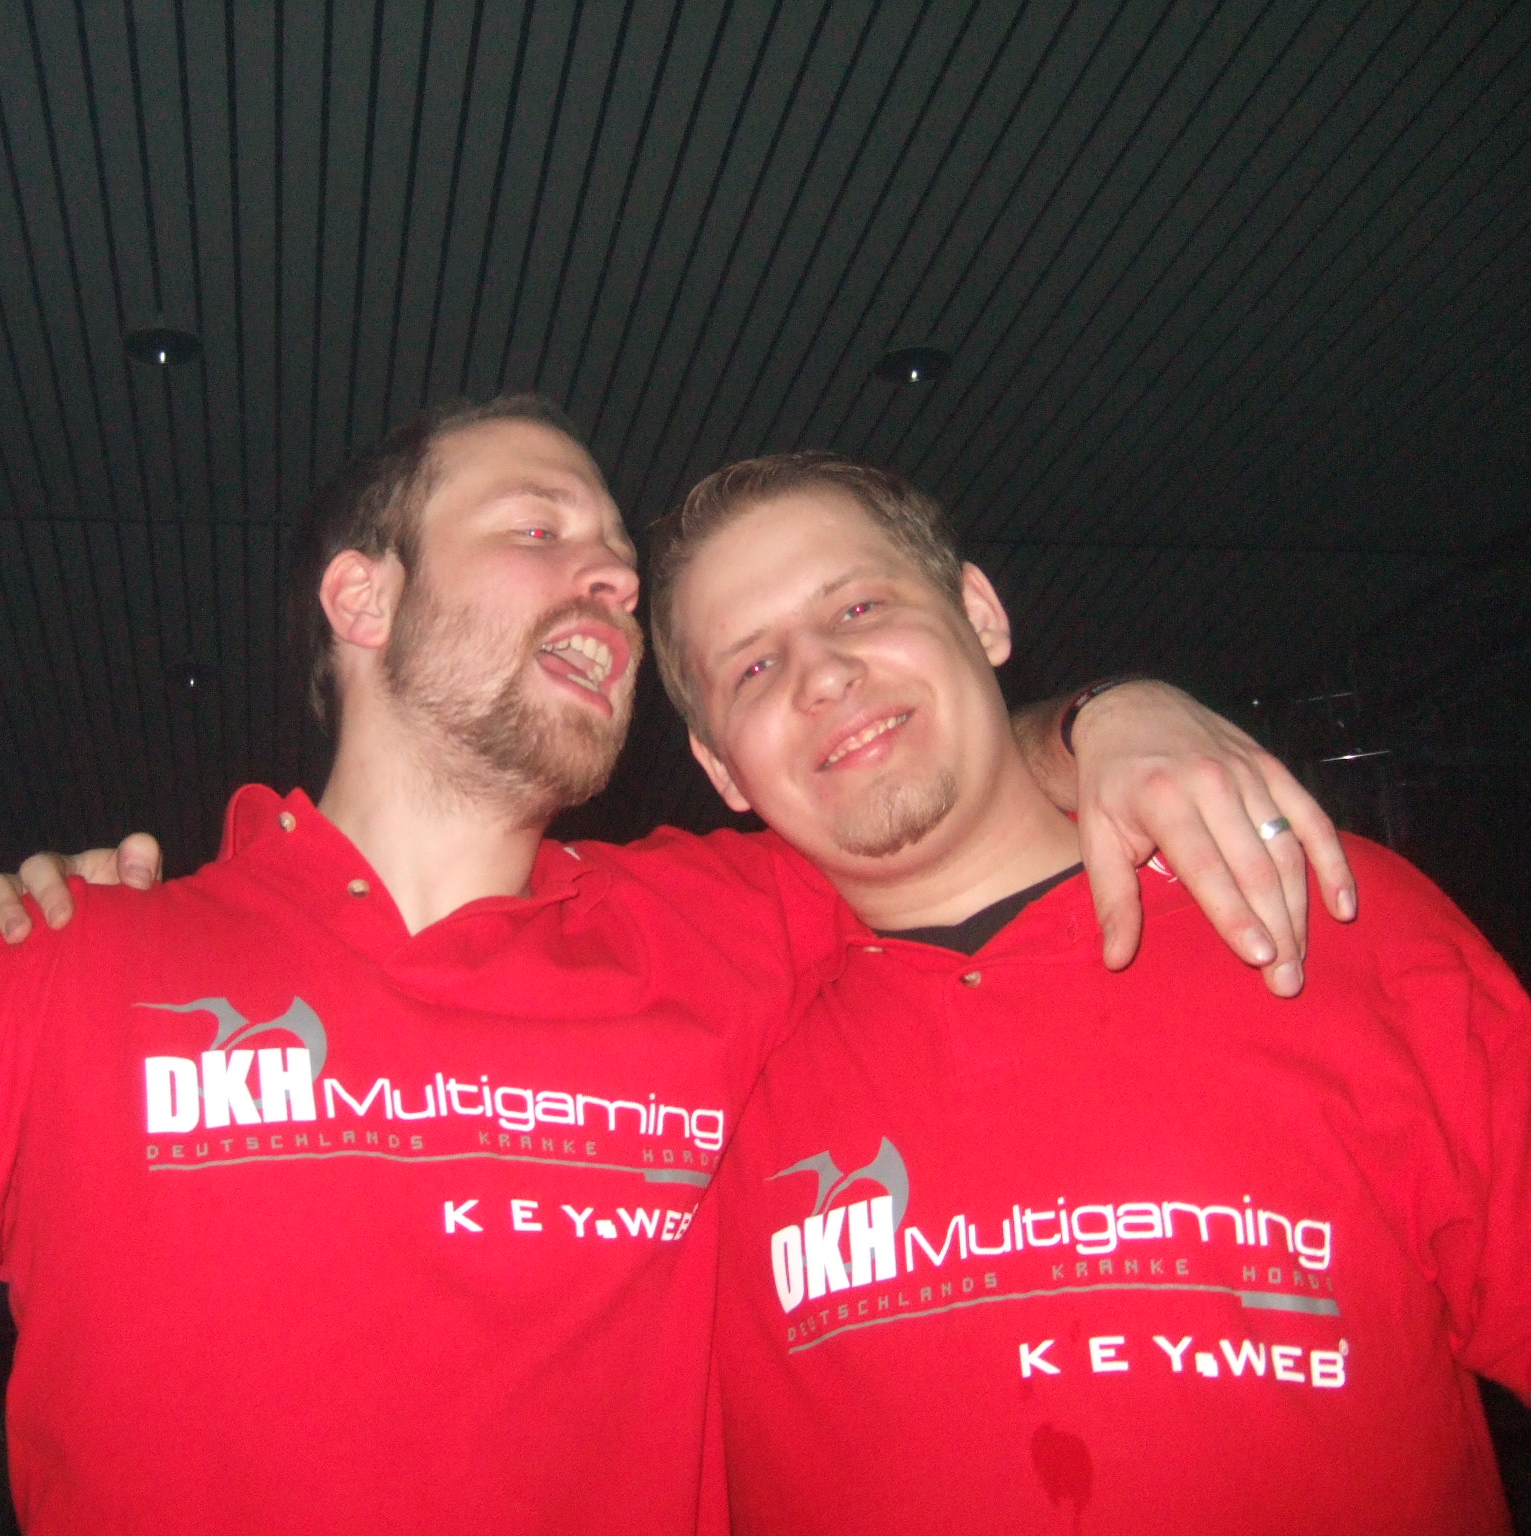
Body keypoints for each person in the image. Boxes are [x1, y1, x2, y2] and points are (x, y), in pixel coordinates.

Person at [0, 396, 1349, 1536]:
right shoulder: (80, 962)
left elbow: (924, 788)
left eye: (621, 574)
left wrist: (1111, 716)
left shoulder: (730, 923)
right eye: (540, 529)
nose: (608, 585)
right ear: (363, 599)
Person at [642, 453, 1530, 1533]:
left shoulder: (1324, 910)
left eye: (859, 607)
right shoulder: (688, 1066)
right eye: (751, 667)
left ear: (979, 612)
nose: (819, 676)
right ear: (720, 769)